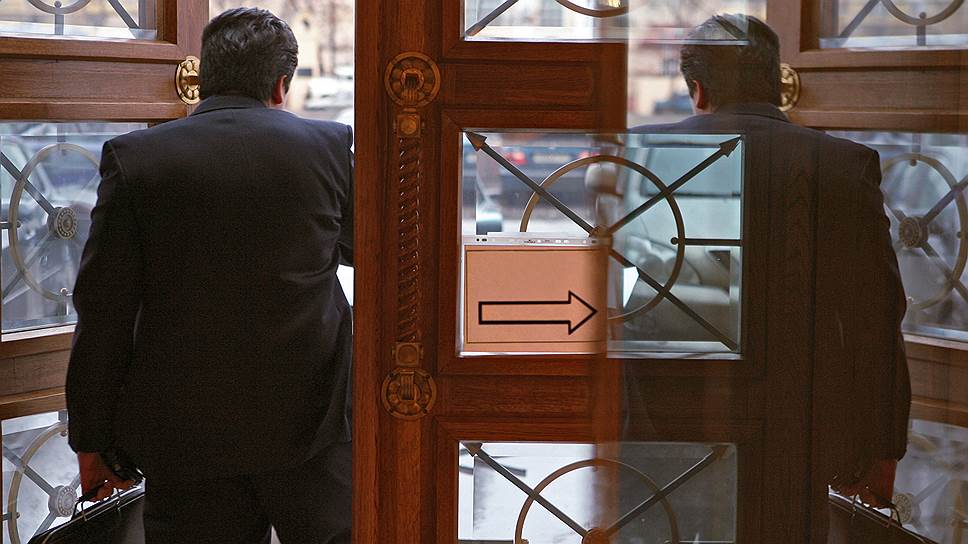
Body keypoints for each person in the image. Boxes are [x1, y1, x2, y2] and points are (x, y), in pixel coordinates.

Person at [65, 7, 353, 543]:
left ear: (206, 78)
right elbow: (373, 252)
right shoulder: (328, 148)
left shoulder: (135, 160)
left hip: (186, 439)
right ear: (281, 84)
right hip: (312, 428)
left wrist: (91, 437)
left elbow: (103, 311)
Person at [624, 13, 910, 539]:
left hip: (657, 423)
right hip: (794, 431)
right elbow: (876, 319)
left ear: (697, 89)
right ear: (774, 81)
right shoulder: (843, 164)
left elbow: (615, 300)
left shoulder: (637, 155)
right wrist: (881, 448)